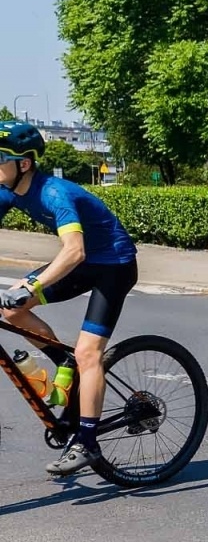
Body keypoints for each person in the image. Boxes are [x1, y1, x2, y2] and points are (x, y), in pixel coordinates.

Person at [0, 120, 139, 476]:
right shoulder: (8, 189)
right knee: (10, 311)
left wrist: (31, 287)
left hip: (113, 264)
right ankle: (63, 359)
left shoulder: (54, 194)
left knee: (88, 352)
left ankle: (88, 442)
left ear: (24, 164)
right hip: (83, 262)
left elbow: (74, 251)